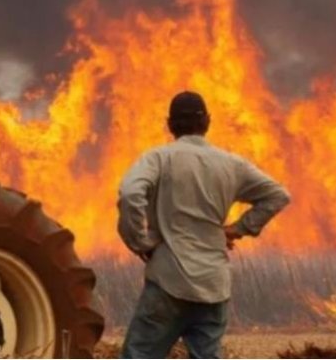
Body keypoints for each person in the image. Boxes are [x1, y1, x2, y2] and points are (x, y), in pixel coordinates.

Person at [117, 91, 291, 359]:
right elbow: (278, 195)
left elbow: (130, 194)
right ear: (207, 122)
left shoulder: (159, 159)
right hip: (213, 285)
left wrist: (139, 241)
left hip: (169, 281)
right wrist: (238, 228)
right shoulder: (231, 164)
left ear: (170, 124)